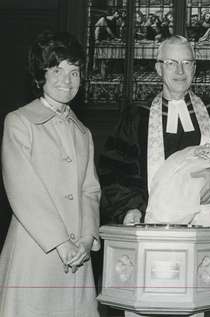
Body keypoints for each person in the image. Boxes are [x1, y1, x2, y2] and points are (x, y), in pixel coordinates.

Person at [99, 35, 210, 317]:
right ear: (158, 69)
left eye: (187, 63)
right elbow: (115, 171)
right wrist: (130, 208)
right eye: (171, 63)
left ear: (195, 68)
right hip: (150, 236)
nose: (179, 71)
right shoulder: (136, 118)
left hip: (208, 241)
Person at [0, 30, 101, 316]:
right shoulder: (19, 122)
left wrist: (85, 238)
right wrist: (61, 243)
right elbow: (24, 189)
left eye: (74, 72)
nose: (66, 80)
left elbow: (90, 191)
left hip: (77, 255)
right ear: (39, 76)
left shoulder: (83, 132)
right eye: (57, 70)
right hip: (36, 251)